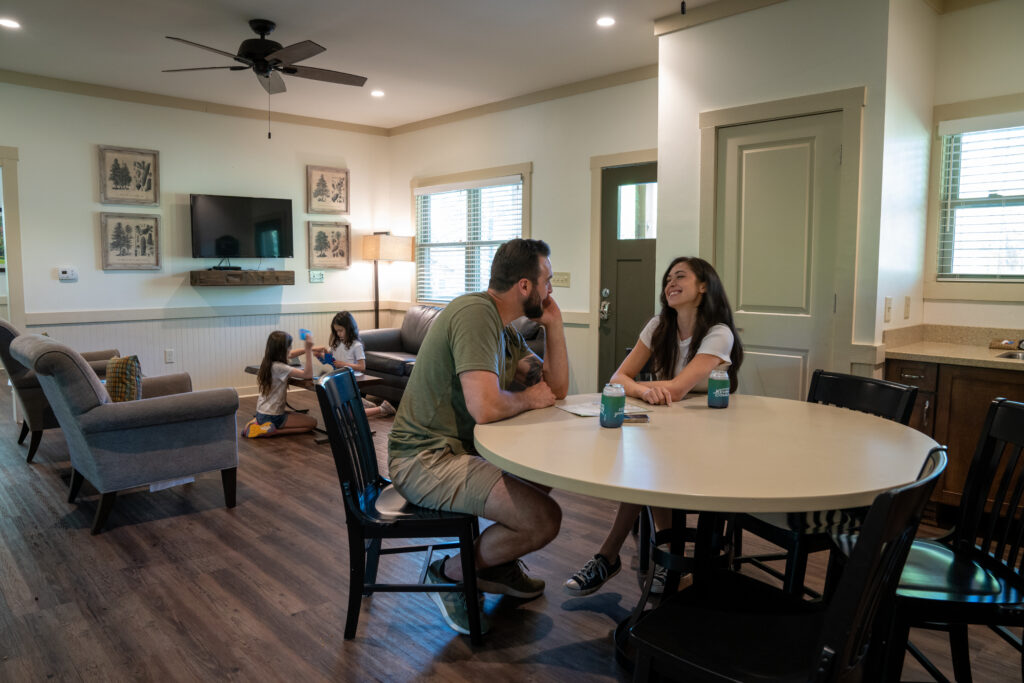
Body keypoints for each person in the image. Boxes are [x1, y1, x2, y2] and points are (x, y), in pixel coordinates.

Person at [387, 238, 569, 635]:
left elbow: (555, 388)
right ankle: (448, 572)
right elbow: (485, 407)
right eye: (547, 282)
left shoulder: (504, 330)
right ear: (525, 286)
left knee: (546, 473)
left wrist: (555, 326)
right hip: (424, 460)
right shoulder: (475, 314)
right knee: (544, 519)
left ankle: (497, 566)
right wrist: (529, 399)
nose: (550, 290)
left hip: (459, 454)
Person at [564, 256, 743, 596]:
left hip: (713, 438)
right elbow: (618, 378)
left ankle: (615, 556)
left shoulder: (718, 333)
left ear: (703, 287)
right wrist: (648, 390)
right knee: (648, 466)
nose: (670, 284)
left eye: (681, 277)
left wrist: (649, 389)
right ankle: (660, 561)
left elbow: (677, 389)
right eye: (667, 280)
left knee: (648, 469)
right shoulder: (659, 325)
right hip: (670, 430)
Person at [315, 311, 395, 417]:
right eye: (336, 331)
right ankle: (359, 401)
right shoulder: (337, 343)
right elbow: (332, 359)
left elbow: (362, 367)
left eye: (341, 330)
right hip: (339, 378)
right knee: (337, 408)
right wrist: (321, 355)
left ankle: (383, 408)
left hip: (350, 378)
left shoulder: (356, 345)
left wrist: (343, 364)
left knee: (350, 415)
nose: (338, 334)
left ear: (349, 329)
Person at [242, 330, 320, 438]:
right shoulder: (280, 367)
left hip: (261, 413)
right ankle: (268, 431)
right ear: (283, 350)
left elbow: (291, 354)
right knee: (312, 423)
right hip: (273, 416)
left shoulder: (268, 362)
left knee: (302, 418)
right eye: (289, 347)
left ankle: (258, 424)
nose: (291, 349)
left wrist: (310, 349)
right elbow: (307, 374)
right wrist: (308, 350)